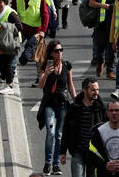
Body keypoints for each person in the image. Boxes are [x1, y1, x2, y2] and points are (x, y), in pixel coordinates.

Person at [38, 38, 75, 176]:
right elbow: (41, 85)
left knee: (59, 135)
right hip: (49, 105)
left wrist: (76, 100)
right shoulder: (44, 66)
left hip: (62, 104)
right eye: (56, 51)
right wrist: (46, 74)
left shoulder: (67, 66)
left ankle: (56, 165)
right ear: (51, 53)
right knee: (51, 133)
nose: (59, 53)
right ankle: (47, 163)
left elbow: (70, 85)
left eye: (61, 50)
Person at [60, 76, 106, 177]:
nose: (96, 92)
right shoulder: (74, 108)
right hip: (78, 151)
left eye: (97, 89)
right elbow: (66, 130)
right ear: (85, 90)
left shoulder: (101, 108)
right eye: (93, 90)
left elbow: (108, 130)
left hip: (95, 153)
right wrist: (62, 152)